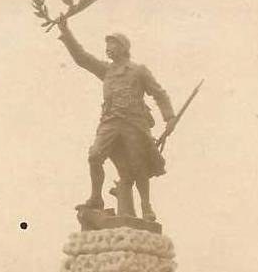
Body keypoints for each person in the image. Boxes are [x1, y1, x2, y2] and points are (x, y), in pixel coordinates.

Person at [56, 17, 177, 222]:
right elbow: (82, 58)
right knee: (94, 155)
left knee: (138, 165)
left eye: (112, 44)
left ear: (123, 48)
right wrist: (66, 33)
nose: (108, 48)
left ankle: (146, 206)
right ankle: (96, 197)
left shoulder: (138, 71)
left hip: (133, 123)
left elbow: (159, 93)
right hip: (110, 121)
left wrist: (169, 116)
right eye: (107, 45)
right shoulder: (106, 70)